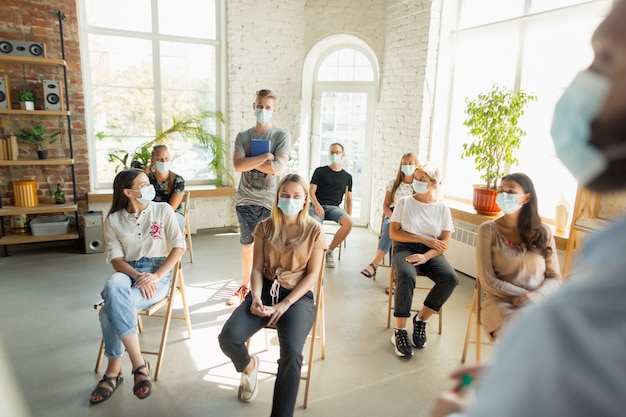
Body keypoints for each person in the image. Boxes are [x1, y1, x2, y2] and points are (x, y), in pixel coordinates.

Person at [430, 2, 626, 415]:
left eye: (605, 56)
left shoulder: (581, 264)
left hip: (531, 308)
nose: (585, 81)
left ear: (527, 198)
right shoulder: (608, 253)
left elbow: (557, 281)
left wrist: (462, 408)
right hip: (508, 306)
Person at [218, 174, 326, 417]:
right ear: (277, 198)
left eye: (296, 196)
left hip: (297, 297)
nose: (290, 200)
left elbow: (312, 275)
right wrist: (255, 297)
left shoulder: (314, 230)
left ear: (305, 199)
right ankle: (249, 365)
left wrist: (286, 304)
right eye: (285, 195)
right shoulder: (265, 227)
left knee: (291, 354)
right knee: (228, 337)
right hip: (264, 290)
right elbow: (256, 268)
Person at [90, 168, 186, 404]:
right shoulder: (113, 220)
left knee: (108, 309)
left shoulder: (162, 210)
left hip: (158, 271)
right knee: (114, 283)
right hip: (128, 271)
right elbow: (116, 260)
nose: (149, 187)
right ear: (128, 192)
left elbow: (179, 246)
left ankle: (113, 371)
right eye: (143, 184)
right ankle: (139, 365)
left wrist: (154, 277)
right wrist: (136, 275)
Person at [476, 172, 562, 338]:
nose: (503, 195)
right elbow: (487, 279)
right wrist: (524, 296)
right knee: (526, 333)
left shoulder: (544, 233)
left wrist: (535, 296)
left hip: (538, 301)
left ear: (526, 198)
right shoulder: (488, 230)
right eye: (501, 191)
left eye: (511, 192)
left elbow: (555, 278)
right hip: (501, 302)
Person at [389, 162, 458, 357]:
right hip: (405, 248)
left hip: (431, 252)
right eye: (416, 178)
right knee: (406, 274)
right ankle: (399, 331)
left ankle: (421, 320)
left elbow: (444, 242)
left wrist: (426, 255)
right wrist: (422, 239)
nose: (416, 182)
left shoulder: (443, 209)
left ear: (433, 182)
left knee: (450, 279)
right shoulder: (404, 202)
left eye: (421, 179)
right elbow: (394, 233)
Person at [230, 89, 291, 305]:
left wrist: (251, 160)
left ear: (274, 110)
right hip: (245, 201)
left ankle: (267, 288)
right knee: (248, 247)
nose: (263, 110)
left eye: (267, 107)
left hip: (269, 202)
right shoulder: (243, 136)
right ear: (253, 106)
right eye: (259, 106)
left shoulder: (280, 136)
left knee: (270, 248)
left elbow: (278, 169)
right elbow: (238, 165)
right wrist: (265, 156)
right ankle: (245, 287)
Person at [360, 152, 418, 279]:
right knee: (391, 228)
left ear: (416, 166)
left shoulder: (418, 187)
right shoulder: (393, 183)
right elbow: (386, 205)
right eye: (405, 164)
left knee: (396, 237)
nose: (407, 166)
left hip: (410, 220)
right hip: (393, 216)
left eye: (410, 164)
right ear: (401, 166)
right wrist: (393, 217)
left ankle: (375, 265)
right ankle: (388, 273)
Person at [308, 142, 353, 268]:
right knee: (315, 226)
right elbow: (311, 191)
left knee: (349, 222)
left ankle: (329, 251)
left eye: (337, 152)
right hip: (317, 205)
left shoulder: (347, 177)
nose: (335, 155)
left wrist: (348, 215)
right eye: (332, 153)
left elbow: (349, 199)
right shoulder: (320, 171)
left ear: (343, 154)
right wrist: (317, 205)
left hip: (334, 208)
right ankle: (314, 253)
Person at [146, 144, 186, 230]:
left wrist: (156, 219)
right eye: (159, 159)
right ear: (153, 161)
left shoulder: (178, 180)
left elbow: (172, 208)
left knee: (165, 223)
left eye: (166, 158)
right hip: (151, 216)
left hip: (173, 215)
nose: (164, 161)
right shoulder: (146, 180)